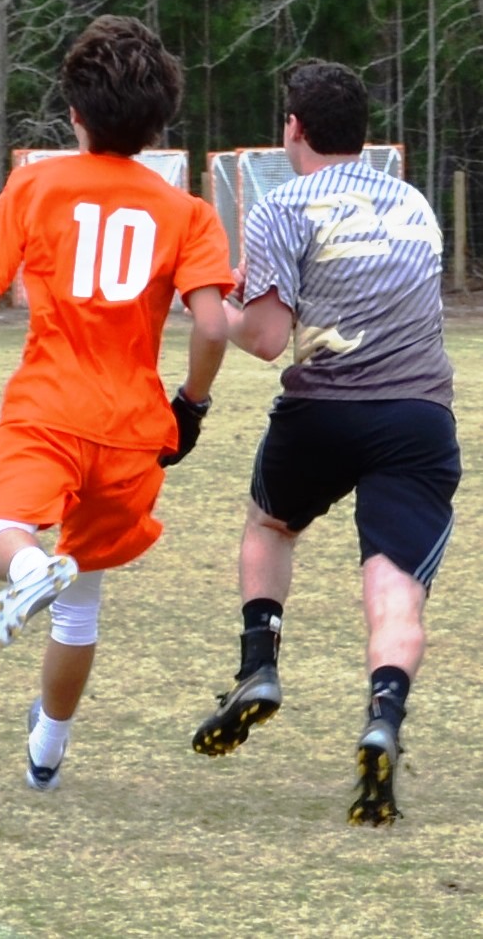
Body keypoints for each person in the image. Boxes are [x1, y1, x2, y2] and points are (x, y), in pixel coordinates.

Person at [0, 15, 231, 791]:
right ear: (159, 125)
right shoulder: (186, 212)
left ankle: (25, 569)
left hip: (49, 407)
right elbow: (212, 322)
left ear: (74, 114)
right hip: (129, 429)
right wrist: (189, 405)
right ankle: (45, 756)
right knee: (78, 605)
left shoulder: (35, 184)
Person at [188, 61, 458, 827]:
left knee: (271, 523)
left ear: (293, 131)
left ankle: (258, 668)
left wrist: (219, 311)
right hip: (414, 418)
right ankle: (381, 714)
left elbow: (267, 340)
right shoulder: (413, 203)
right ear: (363, 133)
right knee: (393, 579)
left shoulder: (280, 205)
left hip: (323, 413)